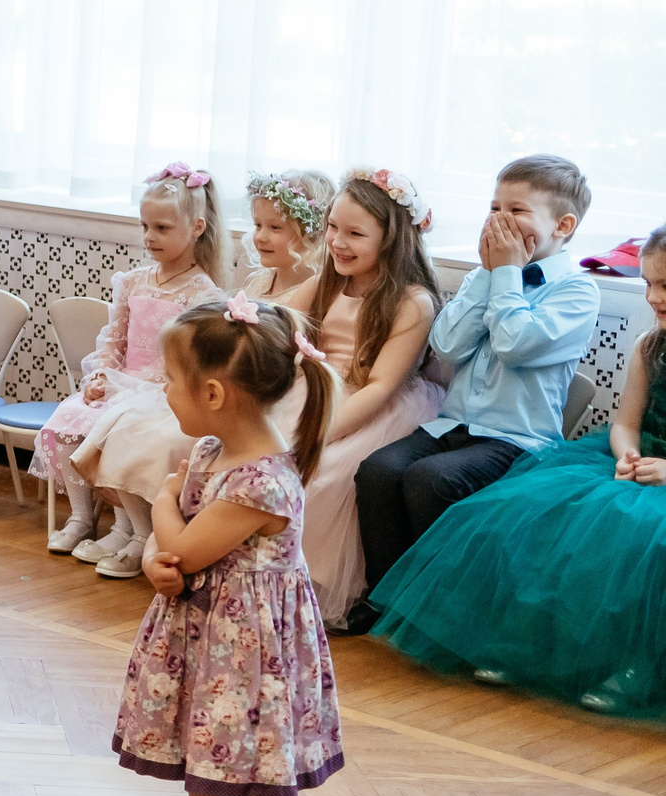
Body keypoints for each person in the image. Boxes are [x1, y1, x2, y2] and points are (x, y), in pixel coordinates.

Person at [114, 295, 341, 796]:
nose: (165, 391)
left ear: (213, 392)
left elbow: (182, 535)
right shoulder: (213, 451)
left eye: (170, 380)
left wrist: (159, 512)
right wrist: (159, 555)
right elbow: (179, 553)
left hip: (247, 664)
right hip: (211, 646)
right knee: (206, 783)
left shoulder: (261, 483)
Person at [371, 225, 666, 715]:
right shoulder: (649, 347)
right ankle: (522, 646)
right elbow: (626, 423)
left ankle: (638, 667)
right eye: (650, 284)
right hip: (632, 464)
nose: (655, 297)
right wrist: (627, 453)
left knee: (641, 534)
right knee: (531, 512)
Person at [348, 155, 599, 634]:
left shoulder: (577, 291)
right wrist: (488, 275)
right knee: (378, 472)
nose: (499, 219)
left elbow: (514, 344)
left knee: (430, 480)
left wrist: (505, 273)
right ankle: (389, 597)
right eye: (493, 206)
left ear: (563, 225)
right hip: (454, 424)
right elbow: (447, 346)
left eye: (517, 210)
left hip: (515, 439)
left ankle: (444, 609)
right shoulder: (483, 276)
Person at [38, 163, 226, 577]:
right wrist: (100, 377)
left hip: (164, 392)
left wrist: (143, 389)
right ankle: (83, 518)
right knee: (70, 420)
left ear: (196, 227)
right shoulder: (133, 281)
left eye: (161, 228)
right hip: (122, 383)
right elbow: (113, 340)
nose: (149, 237)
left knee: (125, 436)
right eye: (145, 226)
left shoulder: (203, 293)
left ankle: (138, 532)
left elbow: (190, 362)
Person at [278, 170, 443, 623]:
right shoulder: (327, 282)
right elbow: (274, 322)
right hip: (312, 388)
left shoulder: (413, 301)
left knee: (323, 474)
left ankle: (308, 588)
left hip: (371, 405)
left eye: (355, 233)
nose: (337, 242)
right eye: (333, 227)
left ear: (392, 239)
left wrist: (318, 435)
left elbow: (381, 387)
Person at [242, 170, 333, 300]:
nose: (259, 237)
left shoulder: (315, 297)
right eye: (258, 225)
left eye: (275, 227)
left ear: (311, 234)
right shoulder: (255, 281)